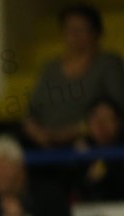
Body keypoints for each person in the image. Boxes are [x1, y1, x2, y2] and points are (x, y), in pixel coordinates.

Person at [23, 3, 124, 149]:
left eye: (80, 29)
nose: (74, 35)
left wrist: (74, 132)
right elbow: (32, 110)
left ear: (95, 32)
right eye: (69, 29)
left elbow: (116, 109)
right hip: (43, 143)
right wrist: (38, 133)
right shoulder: (50, 67)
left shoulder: (108, 64)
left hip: (88, 144)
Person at [73, 97, 124, 202]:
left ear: (119, 123)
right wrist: (89, 179)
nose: (101, 124)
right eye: (95, 118)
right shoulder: (79, 150)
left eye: (108, 118)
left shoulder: (120, 151)